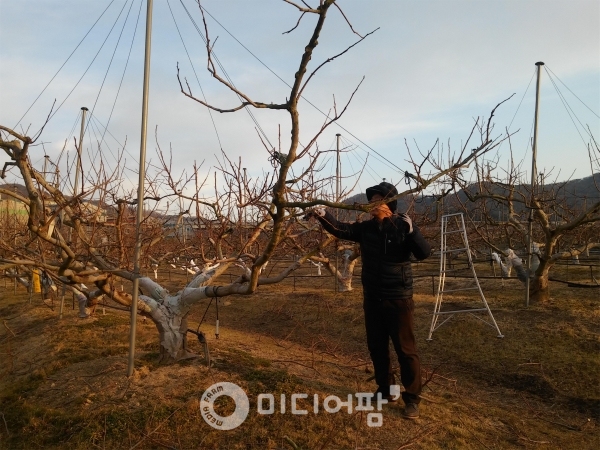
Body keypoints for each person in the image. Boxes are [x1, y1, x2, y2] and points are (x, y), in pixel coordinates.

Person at [310, 181, 431, 419]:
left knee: (405, 349)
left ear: (390, 205)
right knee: (377, 347)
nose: (373, 205)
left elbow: (424, 253)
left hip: (398, 298)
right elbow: (340, 229)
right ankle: (386, 390)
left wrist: (413, 231)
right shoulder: (365, 229)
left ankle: (412, 398)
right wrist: (322, 214)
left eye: (378, 201)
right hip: (372, 298)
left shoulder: (402, 226)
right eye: (372, 201)